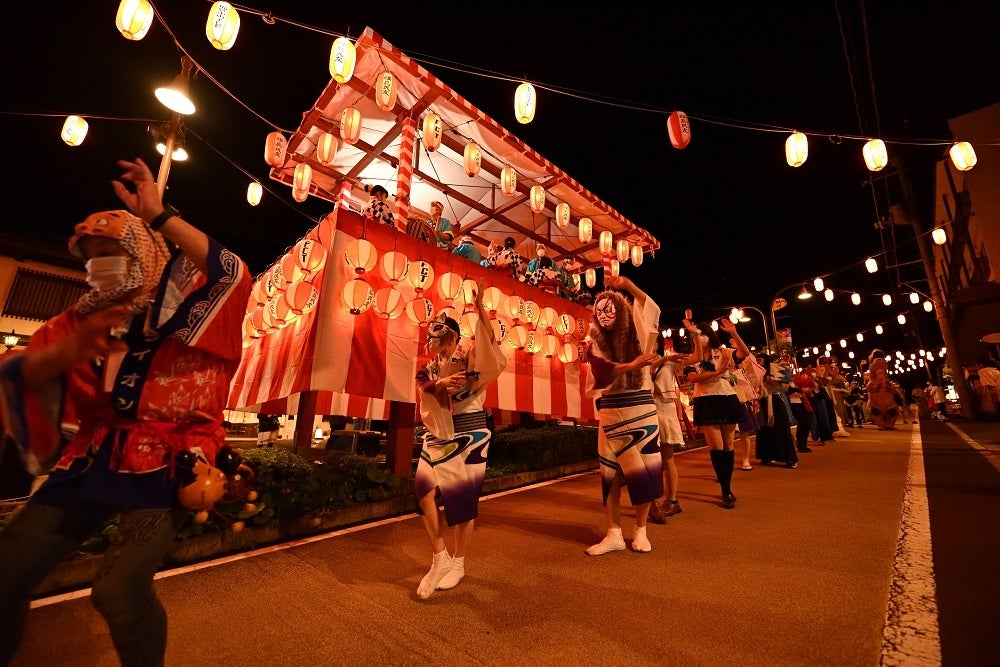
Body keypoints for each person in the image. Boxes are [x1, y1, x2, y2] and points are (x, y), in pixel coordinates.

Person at [0, 157, 251, 666]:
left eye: (110, 249)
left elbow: (232, 271)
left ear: (141, 249)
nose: (99, 263)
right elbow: (16, 372)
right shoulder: (79, 320)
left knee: (116, 590)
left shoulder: (185, 305)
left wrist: (160, 216)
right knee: (5, 572)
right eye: (91, 254)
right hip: (91, 458)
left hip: (172, 460)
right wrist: (59, 357)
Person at [413, 278, 506, 598]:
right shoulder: (429, 367)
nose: (429, 339)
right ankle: (440, 558)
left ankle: (460, 562)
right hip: (439, 433)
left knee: (461, 502)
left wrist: (479, 307)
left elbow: (491, 345)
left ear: (451, 336)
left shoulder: (469, 354)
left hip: (470, 432)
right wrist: (440, 385)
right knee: (423, 491)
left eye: (435, 333)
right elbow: (424, 388)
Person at [582, 276, 661, 555]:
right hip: (611, 410)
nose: (603, 315)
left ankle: (641, 530)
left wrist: (628, 286)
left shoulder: (638, 330)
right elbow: (600, 370)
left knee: (646, 470)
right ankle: (613, 532)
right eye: (598, 310)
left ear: (621, 310)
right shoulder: (593, 339)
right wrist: (631, 365)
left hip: (640, 408)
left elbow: (651, 308)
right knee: (609, 474)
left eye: (609, 309)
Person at [676, 317, 746, 509]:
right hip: (705, 400)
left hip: (726, 398)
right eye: (699, 334)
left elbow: (744, 353)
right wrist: (715, 373)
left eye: (705, 334)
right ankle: (725, 489)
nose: (703, 337)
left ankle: (727, 488)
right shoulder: (693, 358)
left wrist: (733, 332)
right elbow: (692, 377)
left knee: (729, 445)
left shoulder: (722, 352)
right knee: (716, 446)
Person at [647, 337, 685, 524]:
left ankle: (672, 500)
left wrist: (694, 335)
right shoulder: (642, 360)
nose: (651, 343)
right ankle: (652, 501)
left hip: (664, 408)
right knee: (650, 460)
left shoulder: (669, 360)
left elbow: (695, 359)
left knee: (668, 458)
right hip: (647, 409)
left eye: (654, 341)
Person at [753, 352, 799, 467]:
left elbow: (787, 379)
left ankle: (790, 459)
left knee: (781, 428)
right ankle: (766, 456)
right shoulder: (755, 370)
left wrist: (781, 370)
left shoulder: (775, 368)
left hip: (775, 400)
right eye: (757, 359)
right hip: (762, 401)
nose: (758, 362)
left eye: (760, 360)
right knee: (763, 430)